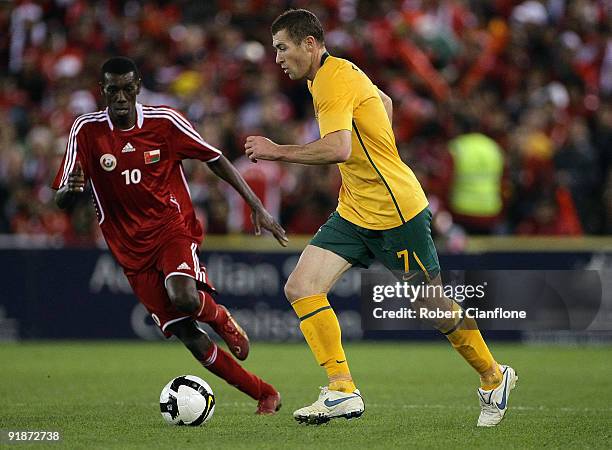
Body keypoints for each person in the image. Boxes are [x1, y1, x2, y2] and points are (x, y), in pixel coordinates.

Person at [245, 9, 517, 426]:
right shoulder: (334, 74)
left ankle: (493, 377)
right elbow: (383, 102)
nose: (278, 57)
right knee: (301, 287)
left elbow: (338, 149)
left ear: (310, 44)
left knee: (432, 304)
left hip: (395, 214)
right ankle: (341, 389)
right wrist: (376, 153)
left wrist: (276, 150)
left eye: (282, 47)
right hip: (355, 209)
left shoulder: (334, 80)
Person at [53, 56, 288, 415]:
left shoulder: (164, 122)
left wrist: (256, 205)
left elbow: (215, 158)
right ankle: (264, 393)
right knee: (190, 337)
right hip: (129, 251)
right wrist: (71, 190)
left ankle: (220, 317)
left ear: (138, 88)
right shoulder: (85, 131)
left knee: (184, 297)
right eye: (112, 90)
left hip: (171, 229)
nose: (119, 97)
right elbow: (62, 198)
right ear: (102, 91)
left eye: (126, 89)